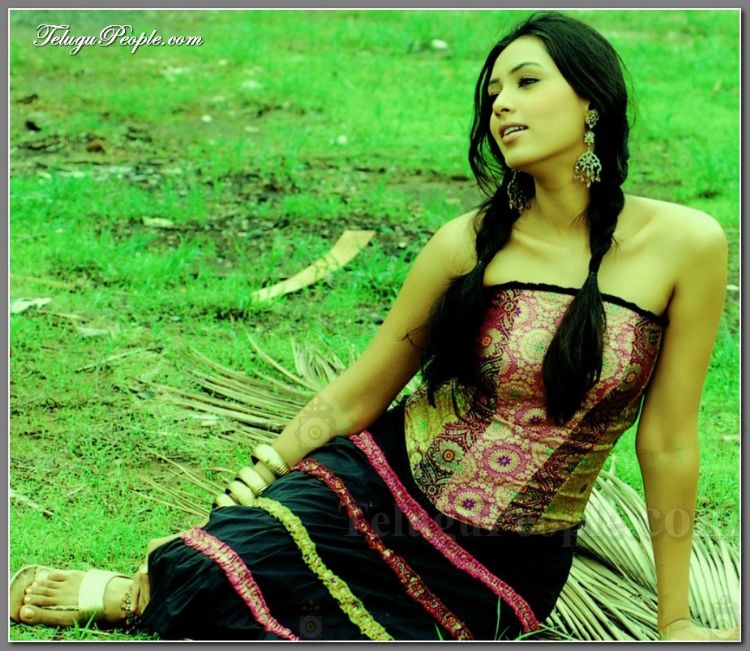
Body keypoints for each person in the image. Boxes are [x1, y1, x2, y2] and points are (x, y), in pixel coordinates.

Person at [10, 12, 739, 642]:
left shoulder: (686, 245)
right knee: (214, 578)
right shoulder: (466, 244)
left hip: (502, 567)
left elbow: (668, 440)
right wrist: (239, 496)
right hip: (379, 486)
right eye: (492, 93)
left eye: (526, 82)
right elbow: (355, 396)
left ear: (591, 102)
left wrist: (674, 621)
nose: (501, 105)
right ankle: (136, 591)